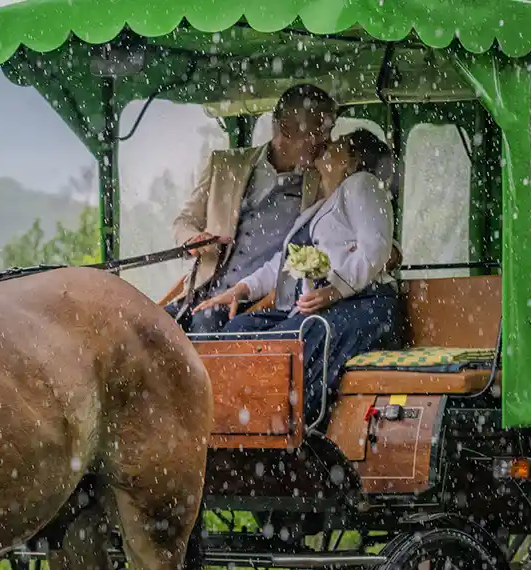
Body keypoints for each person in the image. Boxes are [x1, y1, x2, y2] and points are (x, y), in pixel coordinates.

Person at [194, 129, 399, 426]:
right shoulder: (320, 207)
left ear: (351, 161)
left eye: (338, 144)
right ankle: (240, 422)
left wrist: (335, 290)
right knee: (238, 330)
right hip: (318, 307)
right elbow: (285, 261)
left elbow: (376, 249)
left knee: (287, 344)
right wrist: (241, 289)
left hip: (362, 306)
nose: (328, 144)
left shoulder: (362, 184)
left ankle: (281, 426)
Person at [164, 84, 338, 332]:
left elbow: (342, 230)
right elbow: (184, 221)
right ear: (286, 128)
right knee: (147, 327)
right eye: (318, 132)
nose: (326, 142)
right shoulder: (224, 165)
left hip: (259, 301)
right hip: (200, 294)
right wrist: (194, 239)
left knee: (206, 323)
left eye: (328, 132)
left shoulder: (321, 180)